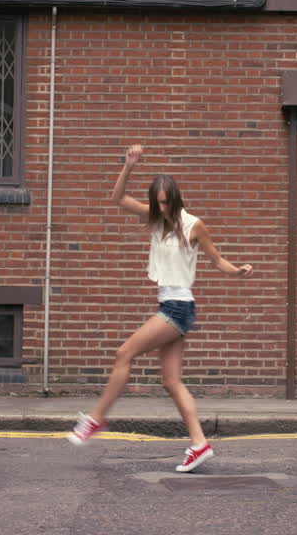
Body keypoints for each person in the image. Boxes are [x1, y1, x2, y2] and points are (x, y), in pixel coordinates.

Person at [67, 144, 253, 473]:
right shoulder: (156, 221)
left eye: (166, 202)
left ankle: (96, 419)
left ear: (176, 200)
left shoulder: (193, 224)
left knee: (124, 353)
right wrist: (128, 165)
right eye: (158, 203)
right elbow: (118, 198)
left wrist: (237, 271)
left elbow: (217, 259)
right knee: (171, 381)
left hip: (178, 307)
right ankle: (199, 444)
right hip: (172, 305)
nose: (162, 208)